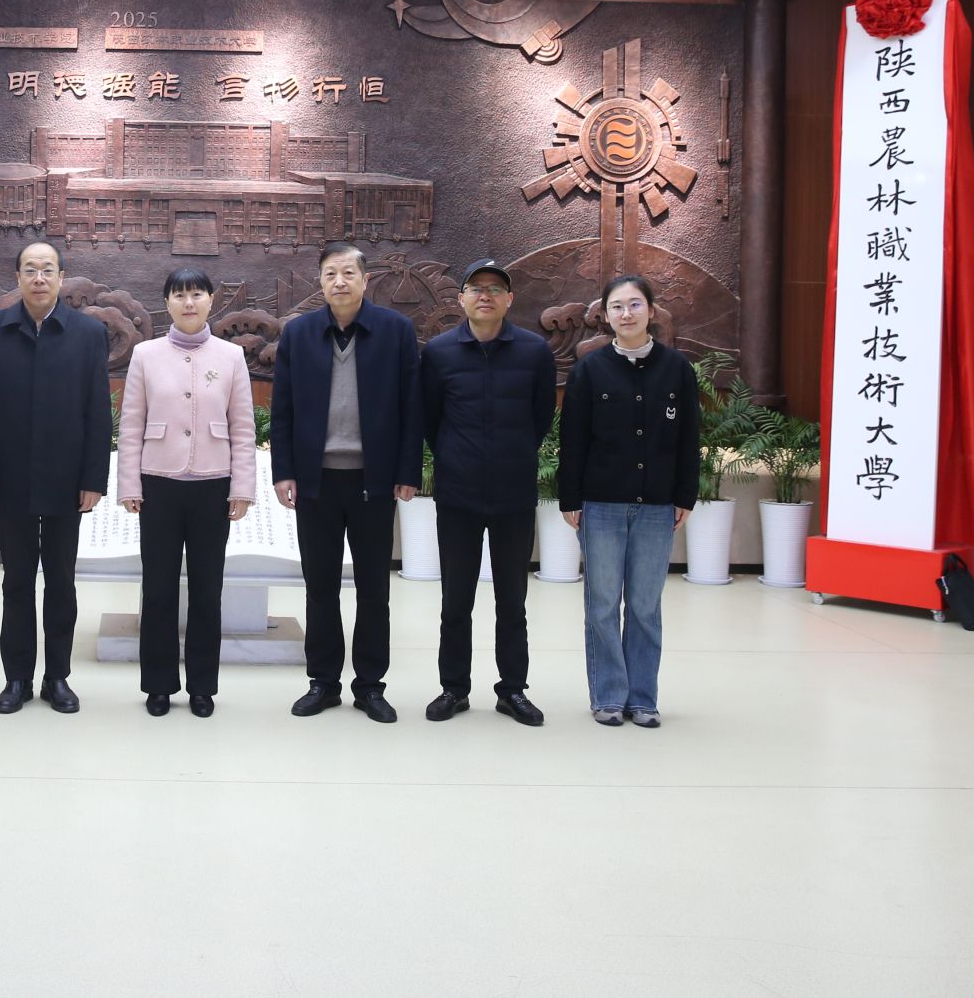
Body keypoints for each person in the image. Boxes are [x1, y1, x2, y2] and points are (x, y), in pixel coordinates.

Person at [269, 241, 423, 723]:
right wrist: (284, 471)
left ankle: (370, 686)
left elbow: (411, 405)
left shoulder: (395, 331)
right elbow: (282, 408)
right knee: (320, 586)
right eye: (331, 274)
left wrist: (407, 472)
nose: (339, 281)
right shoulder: (298, 334)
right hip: (315, 481)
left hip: (373, 481)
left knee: (375, 587)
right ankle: (323, 682)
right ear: (320, 281)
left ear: (364, 279)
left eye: (348, 273)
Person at [0, 241, 111, 715]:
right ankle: (17, 678)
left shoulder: (88, 333)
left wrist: (93, 478)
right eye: (30, 269)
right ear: (18, 277)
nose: (39, 278)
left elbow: (98, 411)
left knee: (61, 582)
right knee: (16, 581)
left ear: (62, 277)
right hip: (9, 481)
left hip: (68, 482)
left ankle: (57, 677)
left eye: (48, 269)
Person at [556, 274, 700, 728]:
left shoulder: (676, 369)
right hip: (601, 505)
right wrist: (569, 497)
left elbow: (689, 438)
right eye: (617, 306)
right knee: (602, 605)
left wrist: (685, 495)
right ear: (605, 315)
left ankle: (643, 698)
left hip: (658, 505)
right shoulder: (589, 370)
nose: (627, 313)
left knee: (644, 606)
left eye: (635, 304)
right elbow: (573, 440)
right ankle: (608, 696)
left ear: (651, 312)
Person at [420, 259, 557, 727]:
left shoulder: (534, 352)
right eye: (476, 288)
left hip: (513, 495)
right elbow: (431, 420)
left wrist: (511, 454)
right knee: (455, 600)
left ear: (509, 300)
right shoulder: (439, 353)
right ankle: (453, 689)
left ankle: (512, 690)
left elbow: (541, 417)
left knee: (512, 600)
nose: (485, 295)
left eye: (496, 289)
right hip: (457, 495)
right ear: (460, 298)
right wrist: (455, 456)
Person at [117, 267, 257, 718]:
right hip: (158, 483)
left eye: (197, 294)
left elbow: (243, 427)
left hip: (213, 486)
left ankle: (202, 686)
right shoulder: (145, 354)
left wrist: (242, 487)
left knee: (207, 590)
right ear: (167, 303)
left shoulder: (231, 356)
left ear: (211, 300)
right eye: (179, 295)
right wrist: (129, 483)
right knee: (158, 589)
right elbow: (131, 424)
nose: (189, 302)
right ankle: (158, 685)